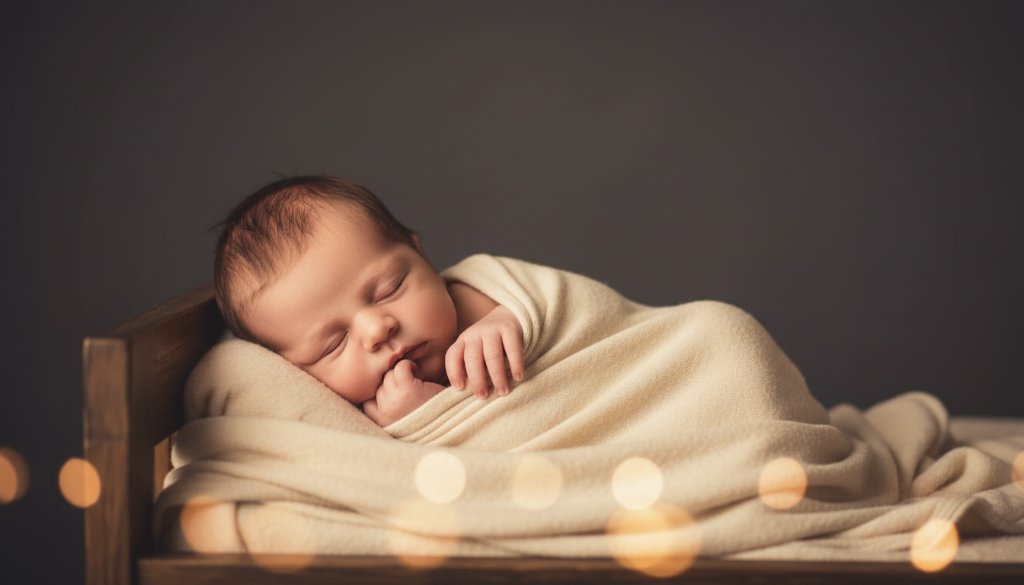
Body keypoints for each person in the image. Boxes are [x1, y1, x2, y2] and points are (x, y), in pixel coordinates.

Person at [213, 176, 526, 427]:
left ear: (421, 256)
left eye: (389, 289)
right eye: (334, 343)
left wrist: (511, 316)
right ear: (298, 372)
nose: (377, 330)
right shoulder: (354, 424)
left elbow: (564, 304)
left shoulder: (490, 291)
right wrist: (420, 421)